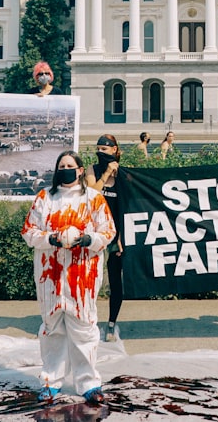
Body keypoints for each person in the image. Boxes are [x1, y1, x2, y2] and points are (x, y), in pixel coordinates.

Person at [21, 150, 115, 404]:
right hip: (49, 276)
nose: (65, 169)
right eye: (61, 165)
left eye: (70, 165)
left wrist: (88, 239)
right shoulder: (44, 198)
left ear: (80, 170)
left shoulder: (94, 199)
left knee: (84, 329)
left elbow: (108, 232)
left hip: (82, 274)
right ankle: (51, 381)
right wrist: (50, 238)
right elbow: (29, 232)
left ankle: (89, 383)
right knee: (52, 329)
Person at [84, 135, 125, 343]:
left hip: (116, 234)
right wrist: (107, 173)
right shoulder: (94, 170)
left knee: (115, 281)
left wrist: (123, 237)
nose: (101, 152)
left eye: (105, 149)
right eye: (98, 148)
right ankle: (88, 321)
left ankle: (111, 322)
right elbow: (92, 195)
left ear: (115, 150)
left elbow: (128, 208)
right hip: (95, 233)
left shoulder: (123, 173)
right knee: (90, 279)